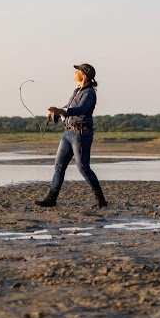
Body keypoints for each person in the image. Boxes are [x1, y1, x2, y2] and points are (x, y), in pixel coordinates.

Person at [35, 63, 107, 209]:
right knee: (59, 166)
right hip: (68, 133)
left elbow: (79, 109)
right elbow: (68, 107)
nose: (75, 73)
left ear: (84, 75)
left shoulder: (89, 93)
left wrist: (61, 111)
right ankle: (51, 199)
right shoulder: (76, 90)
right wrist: (55, 114)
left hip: (81, 134)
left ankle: (101, 200)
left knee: (83, 167)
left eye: (77, 71)